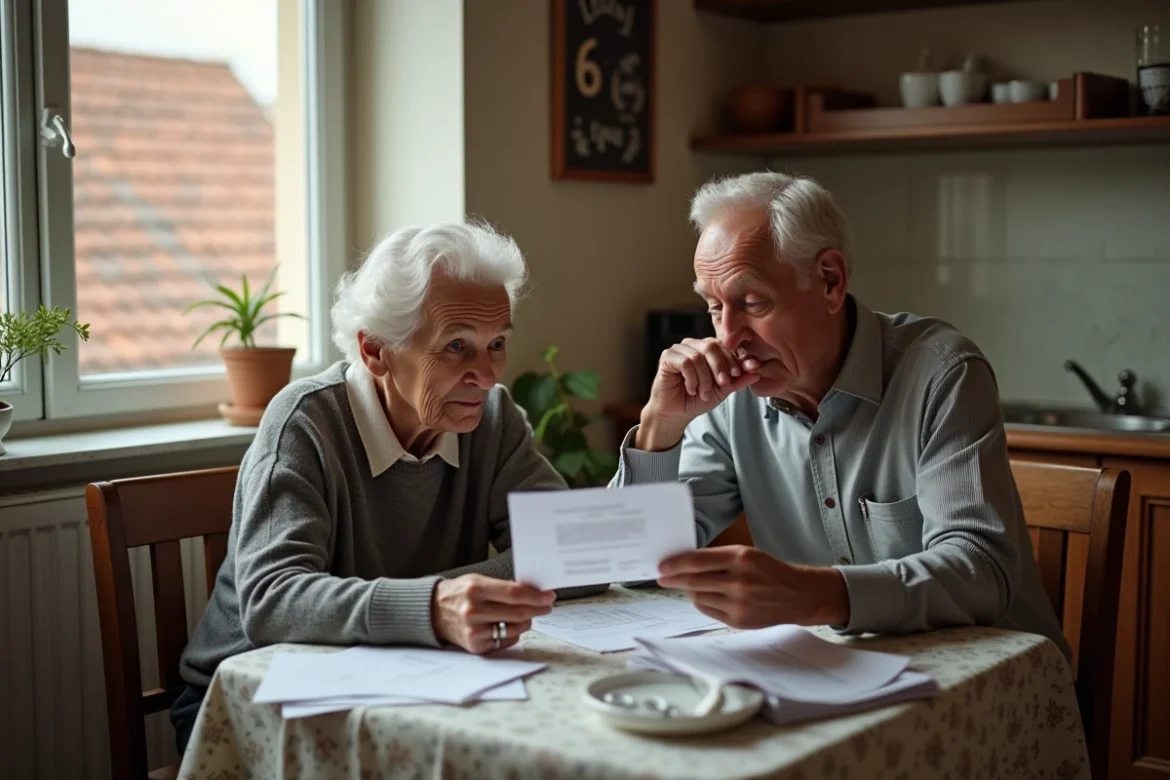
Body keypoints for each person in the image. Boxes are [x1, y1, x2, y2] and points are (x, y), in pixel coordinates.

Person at [172, 222, 605, 754]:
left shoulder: (491, 418)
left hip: (409, 677)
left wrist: (448, 596)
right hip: (250, 697)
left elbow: (577, 551)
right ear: (375, 350)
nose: (487, 376)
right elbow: (273, 600)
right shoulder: (305, 423)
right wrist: (431, 606)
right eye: (455, 348)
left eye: (496, 344)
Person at [612, 171, 1069, 658]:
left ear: (830, 280)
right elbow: (628, 562)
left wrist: (814, 595)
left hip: (994, 682)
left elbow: (980, 573)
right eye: (713, 306)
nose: (728, 337)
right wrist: (660, 426)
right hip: (841, 673)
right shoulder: (731, 400)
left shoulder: (943, 373)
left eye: (752, 302)